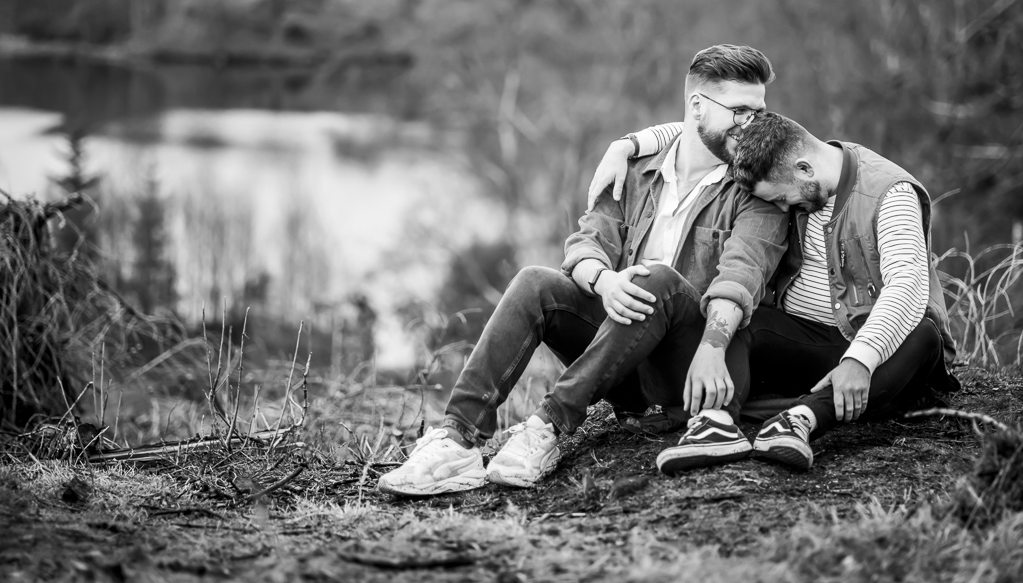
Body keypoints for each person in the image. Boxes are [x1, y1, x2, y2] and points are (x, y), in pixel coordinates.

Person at [378, 44, 788, 497]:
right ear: (697, 106)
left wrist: (711, 342)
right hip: (623, 366)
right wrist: (605, 280)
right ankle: (458, 440)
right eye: (740, 111)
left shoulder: (760, 189)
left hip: (694, 372)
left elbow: (742, 275)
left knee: (658, 281)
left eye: (759, 112)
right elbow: (586, 243)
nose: (754, 126)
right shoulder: (634, 171)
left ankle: (546, 428)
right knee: (536, 281)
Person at [592, 113, 959, 473]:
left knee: (923, 335)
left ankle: (801, 419)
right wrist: (628, 145)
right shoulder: (788, 155)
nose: (782, 209)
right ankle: (717, 424)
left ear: (804, 169)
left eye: (784, 199)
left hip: (877, 350)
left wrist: (860, 358)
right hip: (806, 341)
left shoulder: (889, 193)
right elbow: (695, 124)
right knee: (743, 316)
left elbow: (907, 286)